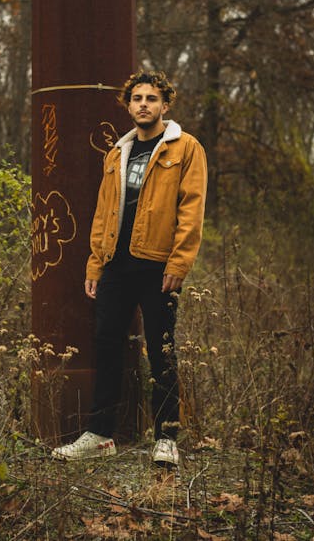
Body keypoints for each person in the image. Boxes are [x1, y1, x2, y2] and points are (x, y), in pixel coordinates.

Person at [52, 70, 207, 466]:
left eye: (151, 98)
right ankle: (100, 434)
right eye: (137, 98)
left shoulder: (185, 149)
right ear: (128, 105)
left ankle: (166, 438)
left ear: (164, 105)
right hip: (115, 267)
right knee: (106, 345)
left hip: (158, 266)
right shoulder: (117, 154)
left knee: (162, 350)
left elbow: (191, 211)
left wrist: (180, 261)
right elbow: (104, 213)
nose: (143, 104)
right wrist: (94, 263)